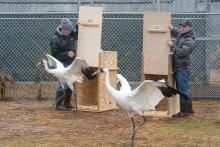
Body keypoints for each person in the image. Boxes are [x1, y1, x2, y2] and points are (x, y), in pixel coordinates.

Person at [166, 20, 196, 117]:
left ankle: (183, 112)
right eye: (181, 26)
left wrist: (172, 45)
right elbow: (178, 33)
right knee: (184, 88)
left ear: (189, 27)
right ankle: (189, 109)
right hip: (179, 67)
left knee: (182, 89)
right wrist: (172, 28)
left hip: (183, 68)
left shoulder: (190, 40)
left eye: (184, 26)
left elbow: (182, 53)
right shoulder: (182, 34)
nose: (181, 28)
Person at [50, 18, 79, 111]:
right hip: (61, 65)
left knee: (70, 82)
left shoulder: (70, 34)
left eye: (70, 30)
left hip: (70, 64)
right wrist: (67, 54)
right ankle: (58, 105)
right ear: (62, 29)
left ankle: (67, 103)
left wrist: (78, 26)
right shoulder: (55, 39)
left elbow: (76, 35)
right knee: (61, 83)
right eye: (67, 30)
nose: (69, 32)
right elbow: (54, 54)